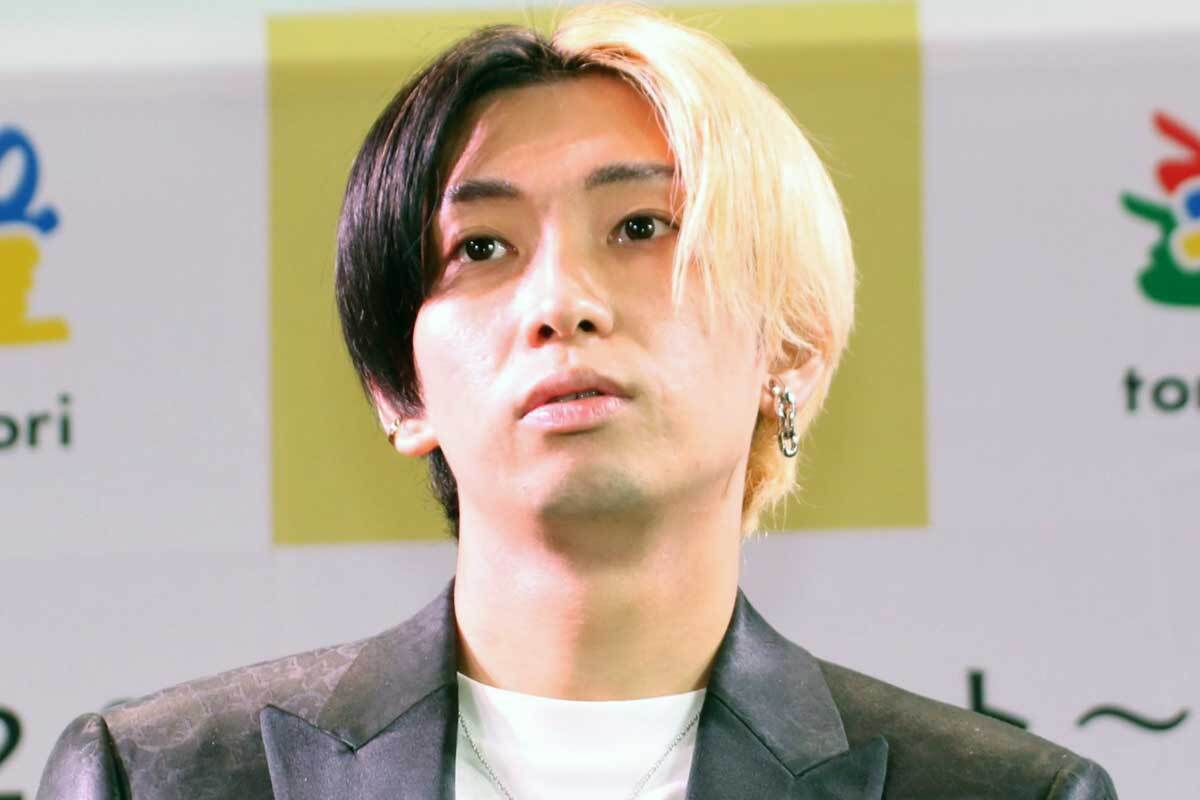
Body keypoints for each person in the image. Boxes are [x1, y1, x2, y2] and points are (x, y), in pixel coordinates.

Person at [36, 4, 1118, 799]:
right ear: (399, 389)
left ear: (787, 349)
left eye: (642, 228)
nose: (561, 302)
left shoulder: (1003, 793)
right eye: (482, 247)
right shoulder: (160, 776)